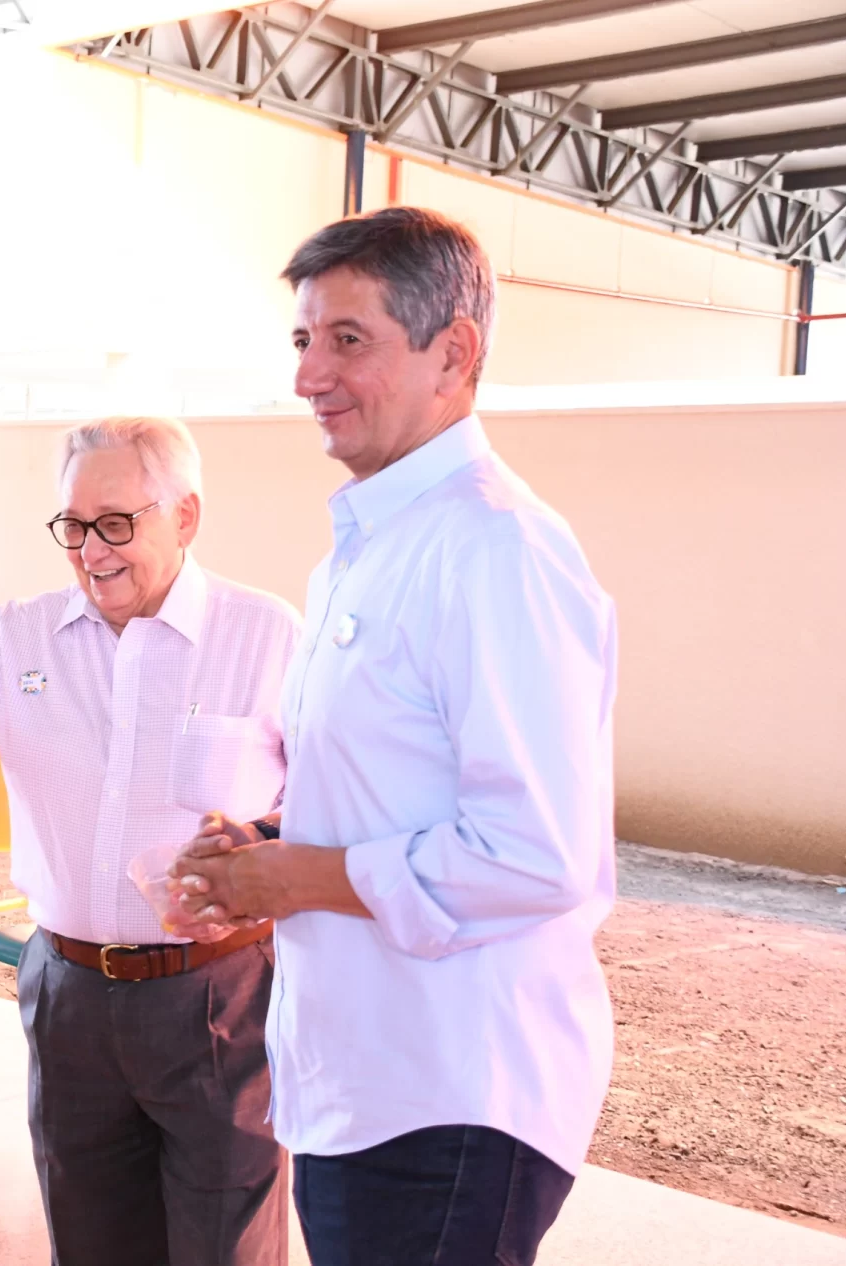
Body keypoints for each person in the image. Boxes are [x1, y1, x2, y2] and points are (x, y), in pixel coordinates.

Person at [173, 207, 618, 1266]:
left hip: (452, 1092)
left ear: (452, 353)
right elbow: (392, 785)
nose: (307, 376)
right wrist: (268, 843)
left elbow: (537, 854)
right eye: (302, 340)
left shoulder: (496, 550)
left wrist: (298, 878)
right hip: (365, 1081)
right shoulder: (370, 548)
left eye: (348, 340)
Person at [0, 416, 298, 1266]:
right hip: (69, 1000)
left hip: (219, 999)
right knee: (90, 1245)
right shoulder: (20, 638)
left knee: (227, 1251)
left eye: (116, 524)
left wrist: (261, 849)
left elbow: (337, 804)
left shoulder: (267, 636)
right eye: (73, 525)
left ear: (186, 516)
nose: (91, 551)